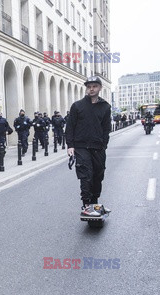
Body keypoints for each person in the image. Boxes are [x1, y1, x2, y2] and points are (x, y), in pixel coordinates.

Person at [66, 76, 111, 215]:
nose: (91, 89)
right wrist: (70, 145)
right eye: (89, 86)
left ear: (99, 88)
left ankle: (94, 203)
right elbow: (70, 126)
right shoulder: (77, 106)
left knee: (98, 174)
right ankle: (86, 204)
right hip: (81, 146)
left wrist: (104, 144)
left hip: (98, 147)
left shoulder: (105, 106)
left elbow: (106, 128)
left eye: (94, 86)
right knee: (86, 175)